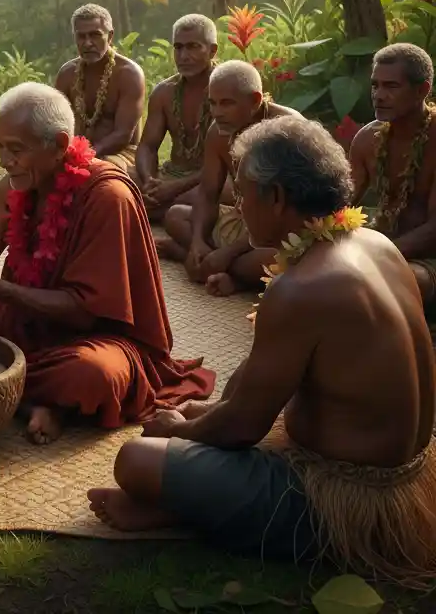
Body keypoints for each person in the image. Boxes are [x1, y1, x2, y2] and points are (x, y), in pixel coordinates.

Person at [90, 117, 436, 588]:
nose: (237, 201)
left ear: (276, 198)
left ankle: (189, 514)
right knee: (184, 436)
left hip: (345, 501)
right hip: (406, 479)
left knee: (138, 458)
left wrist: (183, 427)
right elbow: (264, 374)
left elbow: (242, 429)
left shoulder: (302, 288)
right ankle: (194, 503)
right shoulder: (375, 245)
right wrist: (210, 409)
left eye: (243, 189)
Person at [0, 82, 214, 446]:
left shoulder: (109, 196)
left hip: (93, 339)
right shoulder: (15, 184)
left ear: (61, 145)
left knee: (93, 376)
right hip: (21, 320)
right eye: (0, 146)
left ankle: (4, 385)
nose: (3, 161)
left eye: (16, 149)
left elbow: (84, 313)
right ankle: (33, 400)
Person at [162, 60, 300, 296]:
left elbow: (293, 210)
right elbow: (208, 193)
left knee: (283, 258)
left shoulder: (290, 131)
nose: (217, 112)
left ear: (255, 100)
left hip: (283, 227)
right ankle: (209, 261)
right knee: (176, 216)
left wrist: (228, 253)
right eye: (212, 103)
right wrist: (197, 241)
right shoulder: (218, 132)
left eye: (226, 103)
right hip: (243, 219)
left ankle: (228, 274)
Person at [350, 44, 436, 316]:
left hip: (426, 261)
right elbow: (337, 206)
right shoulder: (367, 139)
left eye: (391, 86)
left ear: (422, 90)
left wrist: (378, 256)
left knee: (385, 282)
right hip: (383, 245)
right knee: (278, 263)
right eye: (375, 86)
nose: (379, 95)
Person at [135, 14, 219, 222]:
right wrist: (149, 181)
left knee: (220, 191)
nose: (183, 56)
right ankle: (157, 206)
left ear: (212, 50)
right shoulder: (164, 93)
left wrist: (173, 189)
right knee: (122, 184)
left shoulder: (227, 91)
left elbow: (230, 162)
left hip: (211, 179)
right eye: (178, 47)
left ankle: (160, 210)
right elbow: (147, 146)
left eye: (193, 47)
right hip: (172, 175)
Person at [54, 4, 145, 173]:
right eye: (81, 36)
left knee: (94, 174)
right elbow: (54, 124)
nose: (88, 43)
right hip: (73, 153)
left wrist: (85, 157)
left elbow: (123, 135)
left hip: (121, 155)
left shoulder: (128, 74)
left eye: (95, 35)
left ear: (110, 36)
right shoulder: (67, 74)